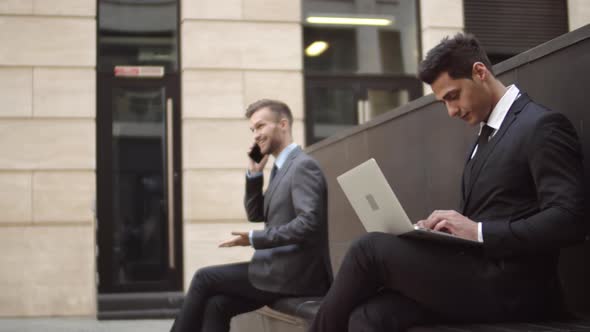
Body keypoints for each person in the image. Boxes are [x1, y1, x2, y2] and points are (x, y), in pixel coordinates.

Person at [309, 33, 585, 332]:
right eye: (444, 102)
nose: (451, 111)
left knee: (368, 249)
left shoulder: (542, 125)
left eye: (453, 96)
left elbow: (570, 220)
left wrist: (478, 231)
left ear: (480, 72)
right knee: (368, 317)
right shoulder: (485, 135)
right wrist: (441, 233)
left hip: (516, 288)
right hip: (477, 275)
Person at [170, 99, 331, 332]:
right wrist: (254, 175)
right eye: (253, 129)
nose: (256, 134)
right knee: (217, 305)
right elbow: (256, 213)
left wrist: (255, 239)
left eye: (261, 126)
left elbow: (309, 223)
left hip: (294, 275)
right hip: (276, 270)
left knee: (203, 278)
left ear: (283, 124)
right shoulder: (281, 169)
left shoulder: (303, 166)